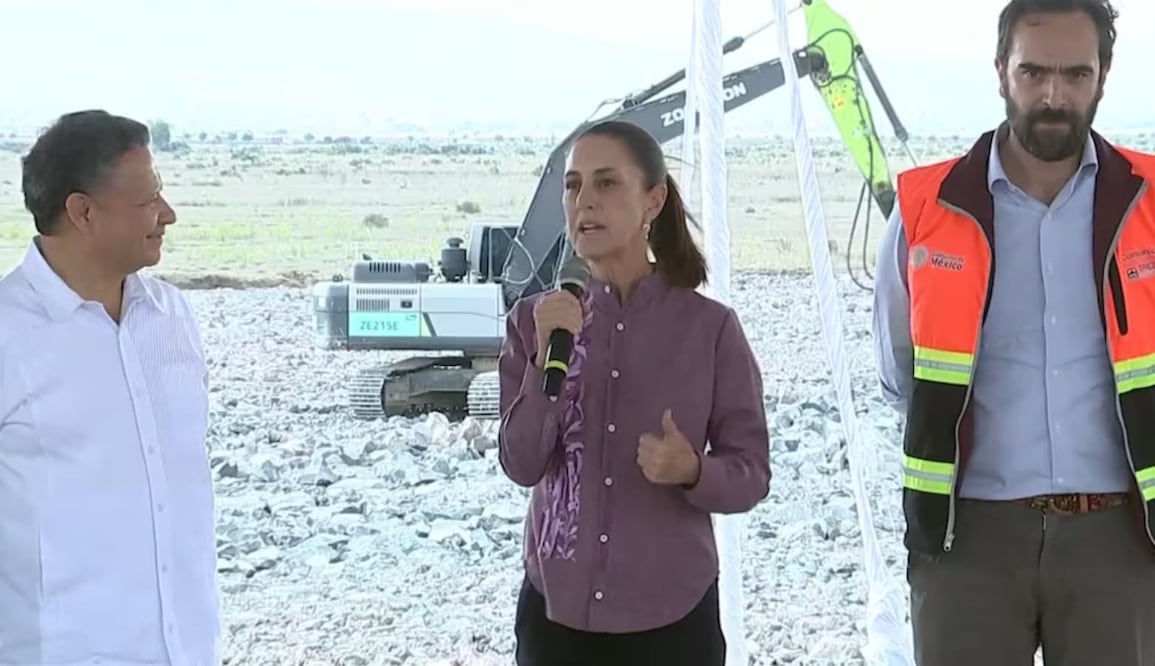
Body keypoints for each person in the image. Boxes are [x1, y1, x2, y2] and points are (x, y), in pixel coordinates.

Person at [872, 1, 1155, 663]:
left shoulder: (1150, 204)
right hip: (964, 543)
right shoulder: (925, 212)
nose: (1052, 95)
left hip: (1119, 540)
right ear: (1000, 71)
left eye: (1074, 74)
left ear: (1103, 76)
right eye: (1032, 72)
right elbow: (897, 374)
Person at [496, 118, 771, 666]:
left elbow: (752, 474)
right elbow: (521, 463)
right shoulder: (535, 321)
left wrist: (693, 469)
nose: (584, 202)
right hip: (557, 620)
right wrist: (543, 360)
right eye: (573, 185)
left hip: (671, 620)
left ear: (653, 199)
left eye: (606, 183)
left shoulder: (709, 329)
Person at [0, 110, 220, 664]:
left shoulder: (172, 318)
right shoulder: (9, 334)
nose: (167, 215)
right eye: (148, 200)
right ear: (82, 211)